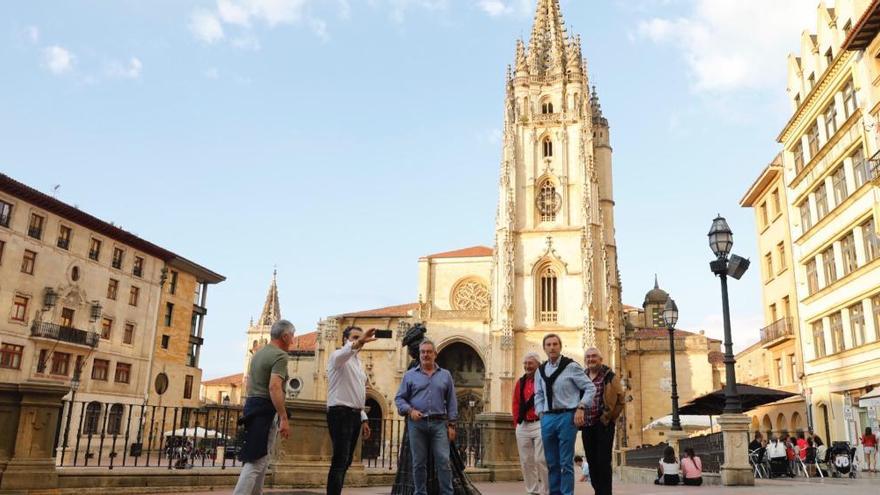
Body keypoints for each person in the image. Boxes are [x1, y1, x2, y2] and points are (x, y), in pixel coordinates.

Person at [233, 319, 294, 495]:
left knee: (262, 456)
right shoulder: (280, 356)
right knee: (257, 460)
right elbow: (274, 386)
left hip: (252, 405)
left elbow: (250, 383)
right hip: (265, 408)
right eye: (292, 336)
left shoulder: (258, 354)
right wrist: (283, 417)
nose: (293, 340)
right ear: (284, 336)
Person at [534, 334, 596, 495]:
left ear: (560, 347)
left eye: (555, 344)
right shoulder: (540, 371)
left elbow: (590, 388)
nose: (552, 347)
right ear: (544, 348)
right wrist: (541, 413)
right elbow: (538, 395)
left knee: (565, 462)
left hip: (567, 417)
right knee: (551, 462)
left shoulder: (571, 367)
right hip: (547, 418)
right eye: (548, 344)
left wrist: (581, 407)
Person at [395, 339, 458, 495]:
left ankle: (447, 493)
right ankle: (420, 493)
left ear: (435, 354)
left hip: (439, 424)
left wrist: (452, 425)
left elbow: (451, 401)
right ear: (419, 354)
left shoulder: (445, 375)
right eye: (423, 352)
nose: (426, 355)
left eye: (429, 352)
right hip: (417, 424)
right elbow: (399, 399)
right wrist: (410, 411)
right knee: (418, 463)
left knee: (443, 461)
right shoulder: (409, 376)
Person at [325, 326, 378, 495]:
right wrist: (361, 341)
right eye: (354, 337)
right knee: (340, 460)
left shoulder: (357, 363)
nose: (358, 340)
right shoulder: (338, 357)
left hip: (354, 414)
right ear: (345, 340)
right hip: (340, 413)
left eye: (359, 337)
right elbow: (344, 353)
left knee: (346, 460)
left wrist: (363, 418)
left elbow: (357, 393)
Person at [579, 347, 623, 495]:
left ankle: (604, 493)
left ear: (600, 359)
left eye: (594, 356)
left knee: (603, 462)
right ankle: (599, 491)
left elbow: (620, 400)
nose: (590, 359)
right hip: (587, 425)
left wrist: (609, 419)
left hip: (603, 425)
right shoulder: (582, 376)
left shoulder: (609, 376)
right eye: (588, 357)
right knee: (591, 462)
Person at [513, 352, 549, 495]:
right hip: (523, 424)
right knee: (526, 461)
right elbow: (515, 403)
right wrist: (516, 423)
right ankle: (532, 491)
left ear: (538, 365)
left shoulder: (544, 381)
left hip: (540, 422)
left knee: (541, 459)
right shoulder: (520, 382)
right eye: (525, 364)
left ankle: (546, 491)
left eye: (530, 363)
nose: (527, 366)